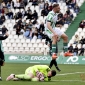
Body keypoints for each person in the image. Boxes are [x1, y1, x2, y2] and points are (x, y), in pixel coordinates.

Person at [45, 4, 73, 72]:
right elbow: (48, 25)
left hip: (54, 28)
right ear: (54, 8)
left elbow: (53, 24)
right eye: (58, 8)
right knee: (55, 37)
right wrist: (54, 33)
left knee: (65, 37)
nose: (59, 9)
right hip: (48, 30)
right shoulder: (50, 14)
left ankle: (66, 52)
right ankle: (53, 54)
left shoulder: (55, 14)